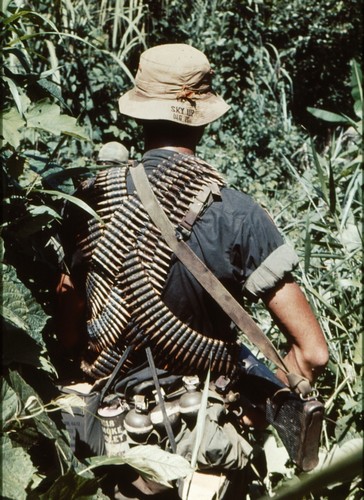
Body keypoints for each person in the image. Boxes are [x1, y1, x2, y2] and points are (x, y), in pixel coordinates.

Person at [55, 43, 328, 494]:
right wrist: (253, 407)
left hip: (110, 455)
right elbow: (313, 353)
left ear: (139, 113)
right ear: (203, 116)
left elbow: (68, 334)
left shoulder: (88, 203)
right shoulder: (239, 213)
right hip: (205, 445)